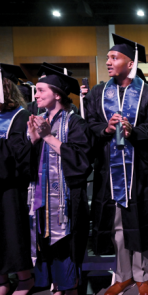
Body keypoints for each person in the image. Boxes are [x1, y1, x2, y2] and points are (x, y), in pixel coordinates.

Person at [84, 34, 148, 295]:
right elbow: (89, 126)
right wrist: (106, 130)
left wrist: (135, 132)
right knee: (117, 225)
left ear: (130, 63)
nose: (108, 61)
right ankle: (122, 275)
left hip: (141, 171)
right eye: (108, 57)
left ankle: (143, 275)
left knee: (139, 222)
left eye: (114, 57)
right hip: (111, 171)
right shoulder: (99, 93)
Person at [27, 63, 91, 295]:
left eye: (41, 90)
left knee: (65, 244)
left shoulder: (75, 123)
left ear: (57, 94)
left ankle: (69, 286)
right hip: (39, 197)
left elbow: (82, 161)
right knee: (44, 240)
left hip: (67, 199)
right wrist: (33, 139)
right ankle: (54, 283)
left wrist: (48, 137)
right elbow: (26, 161)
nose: (36, 94)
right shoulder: (36, 121)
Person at [0, 64, 34, 295]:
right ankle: (2, 280)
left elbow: (20, 154)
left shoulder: (20, 118)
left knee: (12, 231)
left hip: (10, 187)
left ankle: (25, 278)